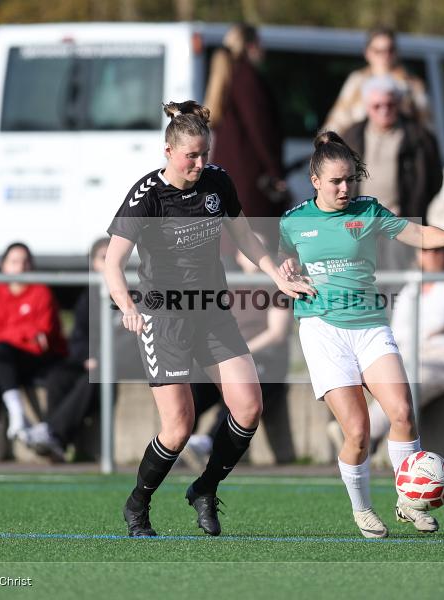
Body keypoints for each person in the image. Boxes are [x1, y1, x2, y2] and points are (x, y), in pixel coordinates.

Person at [105, 100, 313, 538]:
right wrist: (126, 305)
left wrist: (278, 274)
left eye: (205, 154)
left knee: (249, 407)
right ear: (168, 150)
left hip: (212, 313)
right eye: (191, 156)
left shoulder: (218, 182)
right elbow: (113, 261)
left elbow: (245, 239)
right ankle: (137, 504)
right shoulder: (147, 196)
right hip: (164, 321)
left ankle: (205, 487)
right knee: (178, 428)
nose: (201, 163)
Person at [278, 132, 444, 538]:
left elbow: (416, 235)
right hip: (322, 330)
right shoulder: (294, 220)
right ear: (315, 180)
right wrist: (286, 275)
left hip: (368, 325)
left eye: (350, 179)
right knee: (359, 433)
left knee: (402, 412)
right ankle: (363, 509)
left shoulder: (367, 210)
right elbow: (282, 259)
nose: (345, 188)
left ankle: (409, 499)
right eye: (335, 181)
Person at [20, 236, 142, 461]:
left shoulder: (135, 294)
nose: (108, 264)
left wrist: (103, 359)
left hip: (120, 365)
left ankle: (52, 433)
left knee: (96, 377)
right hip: (94, 362)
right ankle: (57, 444)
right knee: (58, 377)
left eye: (114, 258)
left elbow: (135, 339)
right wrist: (87, 357)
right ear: (92, 264)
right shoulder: (88, 297)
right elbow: (78, 338)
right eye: (103, 258)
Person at [355, 246, 444, 454]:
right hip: (417, 355)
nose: (432, 256)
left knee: (416, 378)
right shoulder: (411, 288)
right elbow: (400, 332)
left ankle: (367, 431)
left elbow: (438, 321)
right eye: (426, 251)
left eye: (438, 251)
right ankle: (364, 433)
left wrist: (416, 338)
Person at [187, 235, 295, 466]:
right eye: (248, 250)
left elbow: (276, 334)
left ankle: (205, 442)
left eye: (260, 249)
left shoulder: (277, 286)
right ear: (239, 255)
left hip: (264, 361)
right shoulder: (227, 285)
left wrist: (238, 353)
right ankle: (179, 442)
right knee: (195, 389)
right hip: (227, 358)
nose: (254, 255)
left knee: (240, 394)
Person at [0, 242, 67, 464]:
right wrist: (23, 333)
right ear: (3, 266)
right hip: (7, 361)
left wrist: (10, 334)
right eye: (14, 261)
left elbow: (41, 340)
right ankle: (18, 419)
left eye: (25, 261)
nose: (20, 267)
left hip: (39, 361)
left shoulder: (41, 292)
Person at [340, 75, 443, 271]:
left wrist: (411, 208)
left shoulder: (419, 137)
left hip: (401, 222)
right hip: (358, 222)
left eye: (390, 104)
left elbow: (434, 179)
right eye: (377, 106)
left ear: (398, 104)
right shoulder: (351, 136)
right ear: (367, 107)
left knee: (396, 283)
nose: (384, 110)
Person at [204, 23, 288, 250]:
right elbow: (259, 129)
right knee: (255, 242)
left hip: (228, 172)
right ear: (251, 46)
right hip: (249, 176)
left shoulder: (228, 75)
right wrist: (275, 171)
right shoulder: (246, 77)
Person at [323, 26, 431, 134]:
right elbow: (338, 120)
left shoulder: (411, 85)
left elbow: (427, 126)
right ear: (367, 53)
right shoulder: (357, 81)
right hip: (361, 147)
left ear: (396, 52)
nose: (385, 56)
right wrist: (327, 143)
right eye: (378, 51)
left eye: (390, 50)